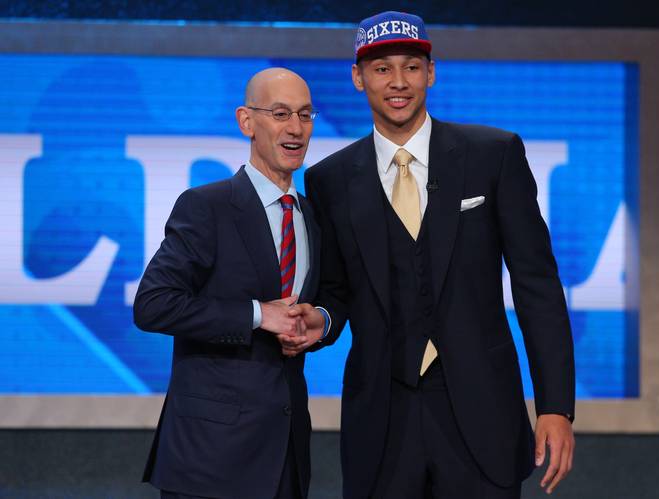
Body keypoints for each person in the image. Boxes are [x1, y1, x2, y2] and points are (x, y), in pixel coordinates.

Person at [290, 11, 576, 499]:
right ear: (358, 78)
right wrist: (320, 319)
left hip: (482, 414)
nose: (398, 82)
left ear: (431, 73)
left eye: (411, 67)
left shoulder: (493, 155)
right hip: (382, 420)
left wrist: (555, 407)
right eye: (382, 69)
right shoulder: (329, 180)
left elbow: (537, 285)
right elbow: (336, 292)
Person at [133, 68, 326, 499]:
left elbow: (329, 300)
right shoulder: (207, 206)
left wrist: (321, 322)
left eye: (305, 115)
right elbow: (153, 304)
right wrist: (259, 315)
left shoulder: (313, 216)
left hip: (286, 457)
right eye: (280, 114)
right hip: (211, 460)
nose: (295, 128)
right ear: (246, 122)